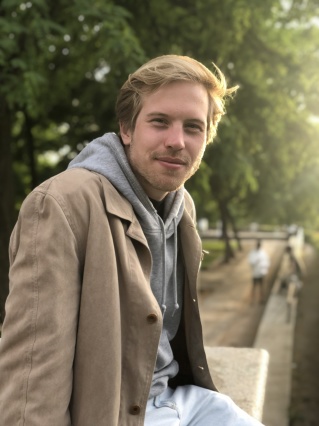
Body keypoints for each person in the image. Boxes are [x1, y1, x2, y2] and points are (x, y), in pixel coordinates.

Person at [0, 55, 264, 425]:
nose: (177, 141)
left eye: (193, 127)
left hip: (183, 399)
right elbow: (33, 365)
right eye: (160, 122)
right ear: (126, 128)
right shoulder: (61, 205)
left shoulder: (180, 203)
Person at [248, 239, 270, 304]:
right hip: (255, 273)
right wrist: (256, 262)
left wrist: (264, 268)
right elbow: (251, 262)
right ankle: (252, 300)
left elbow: (266, 262)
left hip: (261, 272)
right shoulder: (252, 253)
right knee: (254, 287)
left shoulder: (263, 253)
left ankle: (261, 299)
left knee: (261, 287)